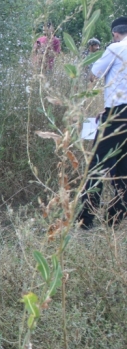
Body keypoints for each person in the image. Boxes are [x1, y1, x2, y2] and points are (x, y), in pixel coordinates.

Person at [78, 16, 127, 229]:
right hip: (116, 111)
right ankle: (116, 215)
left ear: (116, 33)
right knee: (123, 168)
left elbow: (93, 75)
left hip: (118, 115)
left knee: (97, 166)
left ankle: (86, 219)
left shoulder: (115, 48)